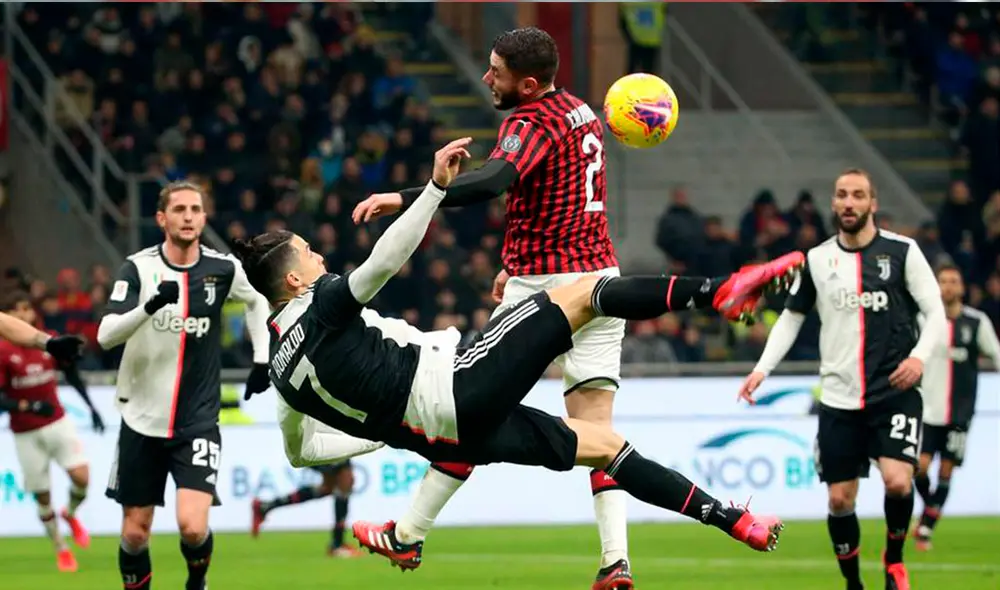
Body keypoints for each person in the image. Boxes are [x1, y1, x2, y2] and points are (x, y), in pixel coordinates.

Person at [235, 138, 805, 575]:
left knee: (605, 448)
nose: (319, 257)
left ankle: (731, 519)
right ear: (292, 278)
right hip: (458, 389)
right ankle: (718, 291)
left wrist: (384, 431)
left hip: (450, 436)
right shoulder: (323, 304)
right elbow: (384, 262)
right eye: (309, 254)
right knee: (584, 293)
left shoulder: (283, 373)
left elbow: (302, 452)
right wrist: (433, 190)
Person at [351, 27, 759, 589]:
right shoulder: (581, 111)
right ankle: (616, 561)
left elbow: (499, 178)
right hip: (598, 277)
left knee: (468, 413)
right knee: (598, 436)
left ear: (530, 82)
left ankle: (409, 536)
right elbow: (554, 195)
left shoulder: (529, 120)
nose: (487, 78)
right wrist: (515, 258)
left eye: (497, 71)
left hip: (545, 293)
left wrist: (416, 193)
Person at [738, 168, 948, 590]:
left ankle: (894, 560)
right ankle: (854, 584)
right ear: (833, 204)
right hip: (838, 398)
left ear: (873, 203)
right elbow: (791, 319)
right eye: (841, 195)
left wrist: (920, 358)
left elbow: (936, 314)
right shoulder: (816, 259)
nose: (849, 203)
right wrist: (763, 368)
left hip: (895, 390)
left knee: (897, 480)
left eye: (857, 195)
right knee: (839, 499)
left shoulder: (903, 252)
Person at [96, 182, 273, 590]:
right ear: (162, 219)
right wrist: (150, 305)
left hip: (197, 419)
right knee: (136, 533)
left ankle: (198, 582)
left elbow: (257, 301)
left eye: (196, 209)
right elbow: (106, 336)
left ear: (204, 218)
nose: (189, 216)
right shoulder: (137, 268)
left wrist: (262, 356)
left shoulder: (222, 268)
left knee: (193, 528)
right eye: (179, 209)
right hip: (141, 419)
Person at [0, 292, 103, 572]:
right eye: (16, 310)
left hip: (57, 421)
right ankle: (61, 548)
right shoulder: (3, 352)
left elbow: (71, 374)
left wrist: (92, 407)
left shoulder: (47, 340)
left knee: (82, 477)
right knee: (43, 496)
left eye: (26, 309)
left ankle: (69, 514)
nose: (23, 315)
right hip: (26, 432)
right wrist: (27, 404)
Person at [913, 264, 1000, 551]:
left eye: (954, 281)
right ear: (936, 286)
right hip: (926, 410)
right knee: (920, 468)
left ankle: (925, 528)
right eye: (943, 281)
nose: (948, 286)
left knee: (946, 471)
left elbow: (996, 355)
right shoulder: (922, 320)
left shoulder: (976, 322)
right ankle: (931, 511)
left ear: (962, 288)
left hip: (960, 412)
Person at [250, 460, 361, 557]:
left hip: (327, 441)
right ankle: (337, 545)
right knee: (345, 481)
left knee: (329, 486)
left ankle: (265, 507)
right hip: (324, 440)